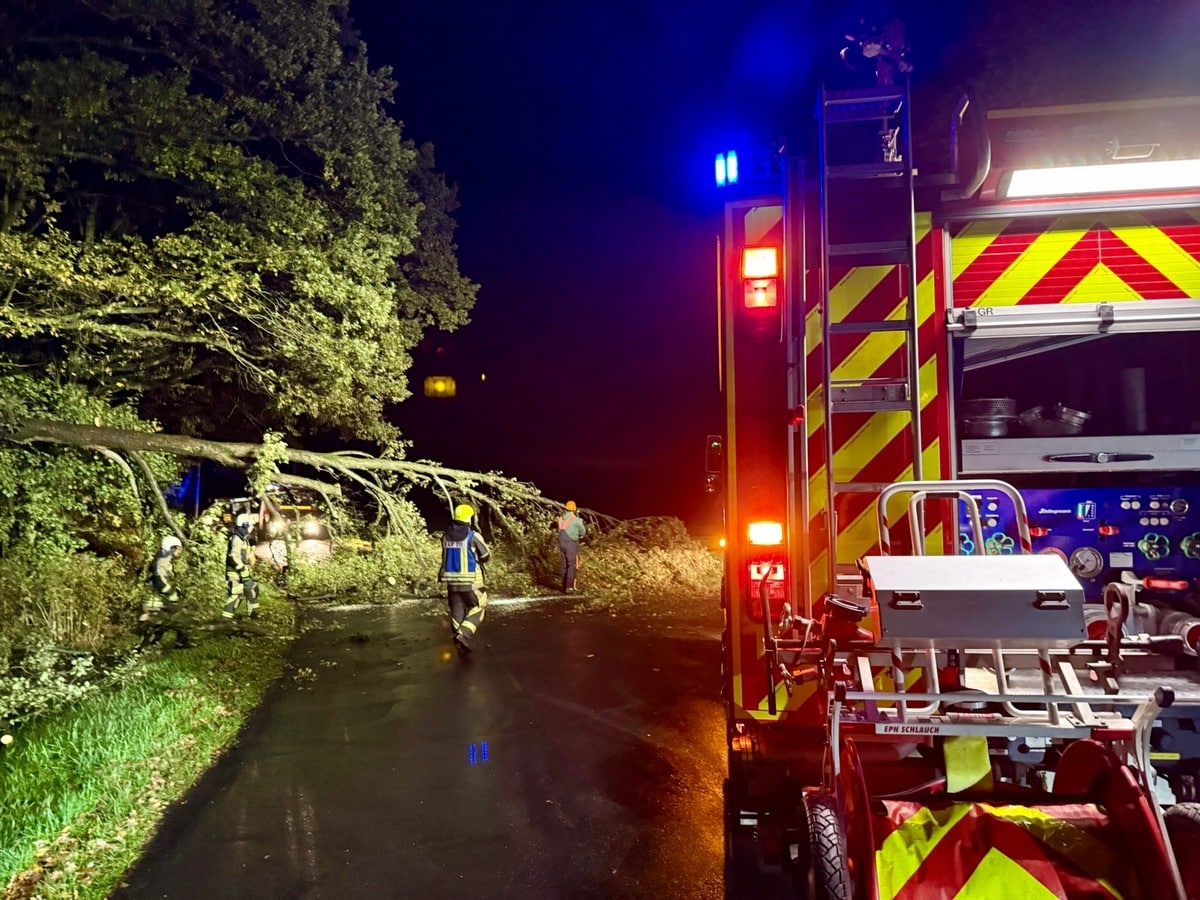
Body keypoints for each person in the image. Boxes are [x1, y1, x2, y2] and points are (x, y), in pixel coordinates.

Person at [438, 503, 491, 655]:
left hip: (452, 583)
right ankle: (464, 635)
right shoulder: (473, 537)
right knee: (479, 606)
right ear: (469, 518)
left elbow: (444, 557)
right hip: (472, 583)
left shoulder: (445, 536)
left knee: (457, 612)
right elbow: (486, 555)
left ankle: (458, 640)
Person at [140, 534, 193, 649]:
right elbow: (159, 581)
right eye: (178, 548)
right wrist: (171, 593)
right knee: (179, 616)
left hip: (157, 598)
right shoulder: (162, 560)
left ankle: (180, 642)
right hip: (155, 600)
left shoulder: (164, 559)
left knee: (161, 626)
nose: (180, 551)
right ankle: (140, 652)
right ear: (171, 548)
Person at [223, 512, 260, 620]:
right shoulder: (237, 539)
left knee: (253, 589)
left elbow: (245, 556)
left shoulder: (243, 538)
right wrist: (242, 568)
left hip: (241, 571)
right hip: (234, 572)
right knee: (236, 594)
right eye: (251, 525)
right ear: (244, 525)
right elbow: (233, 556)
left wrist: (250, 559)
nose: (252, 527)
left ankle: (253, 615)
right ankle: (225, 620)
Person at [557, 500, 586, 593]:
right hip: (571, 545)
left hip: (561, 544)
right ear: (574, 510)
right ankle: (569, 587)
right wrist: (580, 535)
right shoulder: (576, 520)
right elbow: (583, 532)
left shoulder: (560, 519)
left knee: (563, 565)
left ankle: (563, 586)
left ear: (566, 508)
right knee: (571, 565)